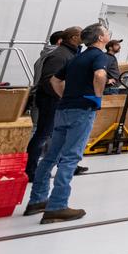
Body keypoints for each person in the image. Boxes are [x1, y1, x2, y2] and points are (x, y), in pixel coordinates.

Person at [25, 22, 110, 223]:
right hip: (82, 110)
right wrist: (97, 97)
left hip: (63, 109)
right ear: (99, 38)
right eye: (106, 32)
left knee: (50, 156)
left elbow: (55, 80)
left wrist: (65, 97)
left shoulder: (76, 57)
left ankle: (37, 200)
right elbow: (100, 74)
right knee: (70, 158)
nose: (108, 34)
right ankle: (57, 206)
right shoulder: (99, 56)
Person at [25, 26, 82, 178]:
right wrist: (63, 97)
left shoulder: (69, 53)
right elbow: (49, 80)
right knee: (43, 134)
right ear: (74, 38)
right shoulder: (59, 55)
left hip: (56, 100)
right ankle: (30, 170)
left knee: (57, 135)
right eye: (81, 34)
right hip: (52, 101)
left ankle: (63, 165)